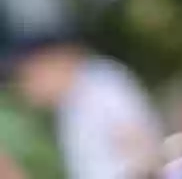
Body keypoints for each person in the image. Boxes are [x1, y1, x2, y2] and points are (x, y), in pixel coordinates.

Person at [3, 32, 164, 179]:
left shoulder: (101, 85)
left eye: (26, 78)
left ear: (51, 63)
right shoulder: (67, 106)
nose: (25, 89)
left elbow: (142, 149)